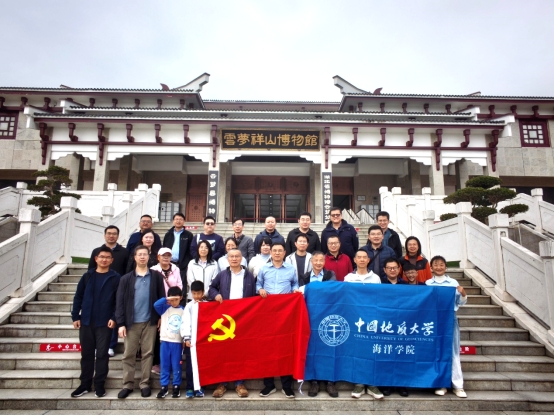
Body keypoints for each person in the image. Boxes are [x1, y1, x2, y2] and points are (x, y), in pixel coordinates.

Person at [115, 245, 165, 399]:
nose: (142, 257)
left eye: (145, 254)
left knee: (148, 353)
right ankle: (127, 384)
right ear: (135, 257)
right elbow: (120, 302)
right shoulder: (126, 279)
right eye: (140, 254)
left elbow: (162, 298)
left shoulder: (156, 277)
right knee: (128, 354)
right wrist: (121, 323)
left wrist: (160, 317)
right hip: (131, 323)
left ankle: (144, 384)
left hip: (150, 321)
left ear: (149, 257)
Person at [71, 245, 121, 398]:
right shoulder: (87, 276)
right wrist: (75, 316)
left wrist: (114, 318)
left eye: (107, 257)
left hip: (104, 323)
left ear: (112, 260)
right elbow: (78, 297)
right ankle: (85, 384)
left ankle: (99, 385)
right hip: (86, 322)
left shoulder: (115, 278)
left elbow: (118, 301)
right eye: (102, 257)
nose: (104, 260)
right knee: (86, 354)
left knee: (102, 355)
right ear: (96, 259)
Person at [208, 248, 257, 398]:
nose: (234, 259)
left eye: (237, 256)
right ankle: (222, 383)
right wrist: (216, 295)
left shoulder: (249, 275)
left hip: (243, 318)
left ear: (241, 258)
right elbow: (211, 288)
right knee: (224, 351)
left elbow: (254, 295)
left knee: (240, 351)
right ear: (227, 259)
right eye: (232, 256)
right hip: (226, 319)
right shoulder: (222, 274)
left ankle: (239, 383)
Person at [256, 242, 299, 399]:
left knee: (285, 348)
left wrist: (295, 291)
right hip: (267, 313)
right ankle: (269, 385)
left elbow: (295, 284)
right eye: (274, 250)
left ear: (284, 252)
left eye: (280, 250)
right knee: (267, 348)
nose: (277, 253)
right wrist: (260, 289)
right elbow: (258, 284)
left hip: (285, 313)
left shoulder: (291, 269)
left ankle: (286, 386)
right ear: (270, 252)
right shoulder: (264, 268)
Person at [343, 250, 383, 400]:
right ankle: (359, 384)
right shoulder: (348, 278)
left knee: (371, 351)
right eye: (358, 257)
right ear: (354, 260)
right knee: (357, 351)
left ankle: (372, 384)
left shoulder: (376, 278)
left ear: (368, 260)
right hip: (354, 320)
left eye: (364, 257)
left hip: (372, 319)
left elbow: (379, 298)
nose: (361, 260)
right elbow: (345, 298)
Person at [426, 255, 468, 399]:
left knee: (453, 351)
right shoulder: (428, 283)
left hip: (449, 319)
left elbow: (460, 302)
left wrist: (463, 293)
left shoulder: (453, 283)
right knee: (436, 351)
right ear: (431, 268)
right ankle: (440, 384)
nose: (439, 267)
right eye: (435, 265)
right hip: (433, 320)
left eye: (441, 264)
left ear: (445, 267)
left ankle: (458, 386)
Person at [298, 251, 338, 398]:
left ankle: (330, 382)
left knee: (329, 347)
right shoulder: (304, 277)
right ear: (311, 261)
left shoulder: (330, 275)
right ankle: (314, 382)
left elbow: (332, 292)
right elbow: (301, 295)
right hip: (311, 316)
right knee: (312, 348)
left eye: (321, 260)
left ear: (324, 262)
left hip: (328, 315)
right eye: (316, 260)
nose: (318, 263)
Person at [87, 225, 129, 357]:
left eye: (114, 234)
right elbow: (90, 270)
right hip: (99, 287)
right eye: (109, 233)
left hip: (117, 287)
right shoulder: (96, 251)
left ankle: (110, 345)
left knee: (114, 314)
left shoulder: (124, 252)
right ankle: (97, 344)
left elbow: (127, 270)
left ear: (118, 236)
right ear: (105, 235)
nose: (111, 236)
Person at [150, 247, 183, 375]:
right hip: (159, 304)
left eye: (168, 255)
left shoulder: (176, 269)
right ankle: (158, 363)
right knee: (159, 334)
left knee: (172, 332)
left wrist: (175, 299)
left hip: (173, 304)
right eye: (163, 255)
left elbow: (179, 285)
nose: (166, 258)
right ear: (158, 257)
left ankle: (172, 364)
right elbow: (152, 290)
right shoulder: (153, 270)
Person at [379, 257, 409, 398]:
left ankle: (401, 384)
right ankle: (387, 384)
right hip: (385, 324)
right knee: (386, 354)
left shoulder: (406, 285)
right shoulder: (379, 285)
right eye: (389, 268)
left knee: (401, 355)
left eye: (395, 268)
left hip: (401, 325)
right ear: (384, 270)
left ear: (399, 269)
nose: (392, 270)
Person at [153, 286, 185, 399]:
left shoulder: (184, 310)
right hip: (165, 342)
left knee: (176, 365)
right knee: (164, 365)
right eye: (172, 300)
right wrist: (167, 299)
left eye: (176, 299)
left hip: (177, 342)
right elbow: (155, 305)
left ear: (181, 298)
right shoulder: (165, 308)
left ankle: (176, 386)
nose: (174, 302)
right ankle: (164, 386)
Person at [181, 280, 207, 399]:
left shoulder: (207, 305)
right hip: (191, 342)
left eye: (198, 293)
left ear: (203, 293)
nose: (196, 296)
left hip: (203, 341)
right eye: (194, 293)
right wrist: (186, 338)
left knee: (202, 365)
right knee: (190, 367)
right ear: (191, 293)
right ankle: (190, 388)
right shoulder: (189, 306)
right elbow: (185, 322)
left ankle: (200, 387)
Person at [162, 212, 193, 281]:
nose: (178, 221)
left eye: (180, 219)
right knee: (168, 283)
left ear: (184, 221)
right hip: (169, 264)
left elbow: (190, 250)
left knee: (181, 284)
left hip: (182, 265)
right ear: (173, 221)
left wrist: (187, 263)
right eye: (176, 219)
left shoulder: (188, 235)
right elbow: (164, 248)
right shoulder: (168, 234)